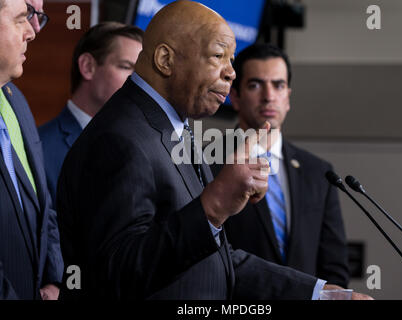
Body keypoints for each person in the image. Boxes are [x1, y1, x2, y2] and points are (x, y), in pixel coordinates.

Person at [56, 0, 370, 300]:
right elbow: (117, 274)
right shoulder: (119, 138)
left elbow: (215, 261)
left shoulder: (172, 128)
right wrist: (215, 204)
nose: (231, 72)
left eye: (232, 60)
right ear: (166, 60)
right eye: (218, 56)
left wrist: (318, 294)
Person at [214, 43, 350, 287]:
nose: (268, 96)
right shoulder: (209, 162)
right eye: (255, 85)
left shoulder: (320, 173)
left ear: (287, 97)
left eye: (278, 85)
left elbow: (334, 268)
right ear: (235, 97)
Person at [39, 22, 143, 202]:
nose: (138, 82)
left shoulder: (142, 146)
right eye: (126, 67)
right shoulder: (40, 149)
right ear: (87, 66)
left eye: (141, 73)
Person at [0, 0, 63, 299]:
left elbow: (42, 204)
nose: (33, 32)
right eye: (22, 18)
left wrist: (54, 279)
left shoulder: (16, 101)